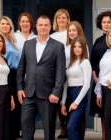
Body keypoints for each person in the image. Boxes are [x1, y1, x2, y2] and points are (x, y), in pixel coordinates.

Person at [16, 14, 66, 140]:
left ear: (50, 27)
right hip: (28, 93)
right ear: (37, 27)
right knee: (26, 126)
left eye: (46, 25)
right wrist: (19, 88)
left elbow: (60, 72)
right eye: (41, 25)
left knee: (48, 129)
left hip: (48, 94)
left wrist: (56, 92)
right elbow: (21, 68)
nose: (43, 27)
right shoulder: (28, 44)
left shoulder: (58, 46)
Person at [89, 10, 111, 140]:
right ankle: (104, 137)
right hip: (98, 81)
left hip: (110, 83)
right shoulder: (98, 40)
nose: (106, 24)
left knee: (110, 113)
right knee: (102, 112)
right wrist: (94, 76)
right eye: (104, 22)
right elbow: (93, 60)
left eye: (108, 22)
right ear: (100, 24)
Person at [60, 36, 91, 140]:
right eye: (75, 47)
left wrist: (76, 102)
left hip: (79, 94)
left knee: (71, 127)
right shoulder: (71, 63)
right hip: (69, 94)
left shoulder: (85, 62)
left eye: (80, 47)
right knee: (75, 128)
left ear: (83, 48)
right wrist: (63, 103)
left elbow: (87, 84)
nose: (77, 49)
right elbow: (66, 84)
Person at [49, 9, 70, 138]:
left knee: (70, 100)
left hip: (72, 72)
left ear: (68, 20)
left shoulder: (71, 33)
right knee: (58, 101)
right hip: (57, 73)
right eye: (59, 18)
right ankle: (62, 127)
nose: (61, 20)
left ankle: (71, 127)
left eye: (64, 17)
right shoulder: (52, 36)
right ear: (56, 21)